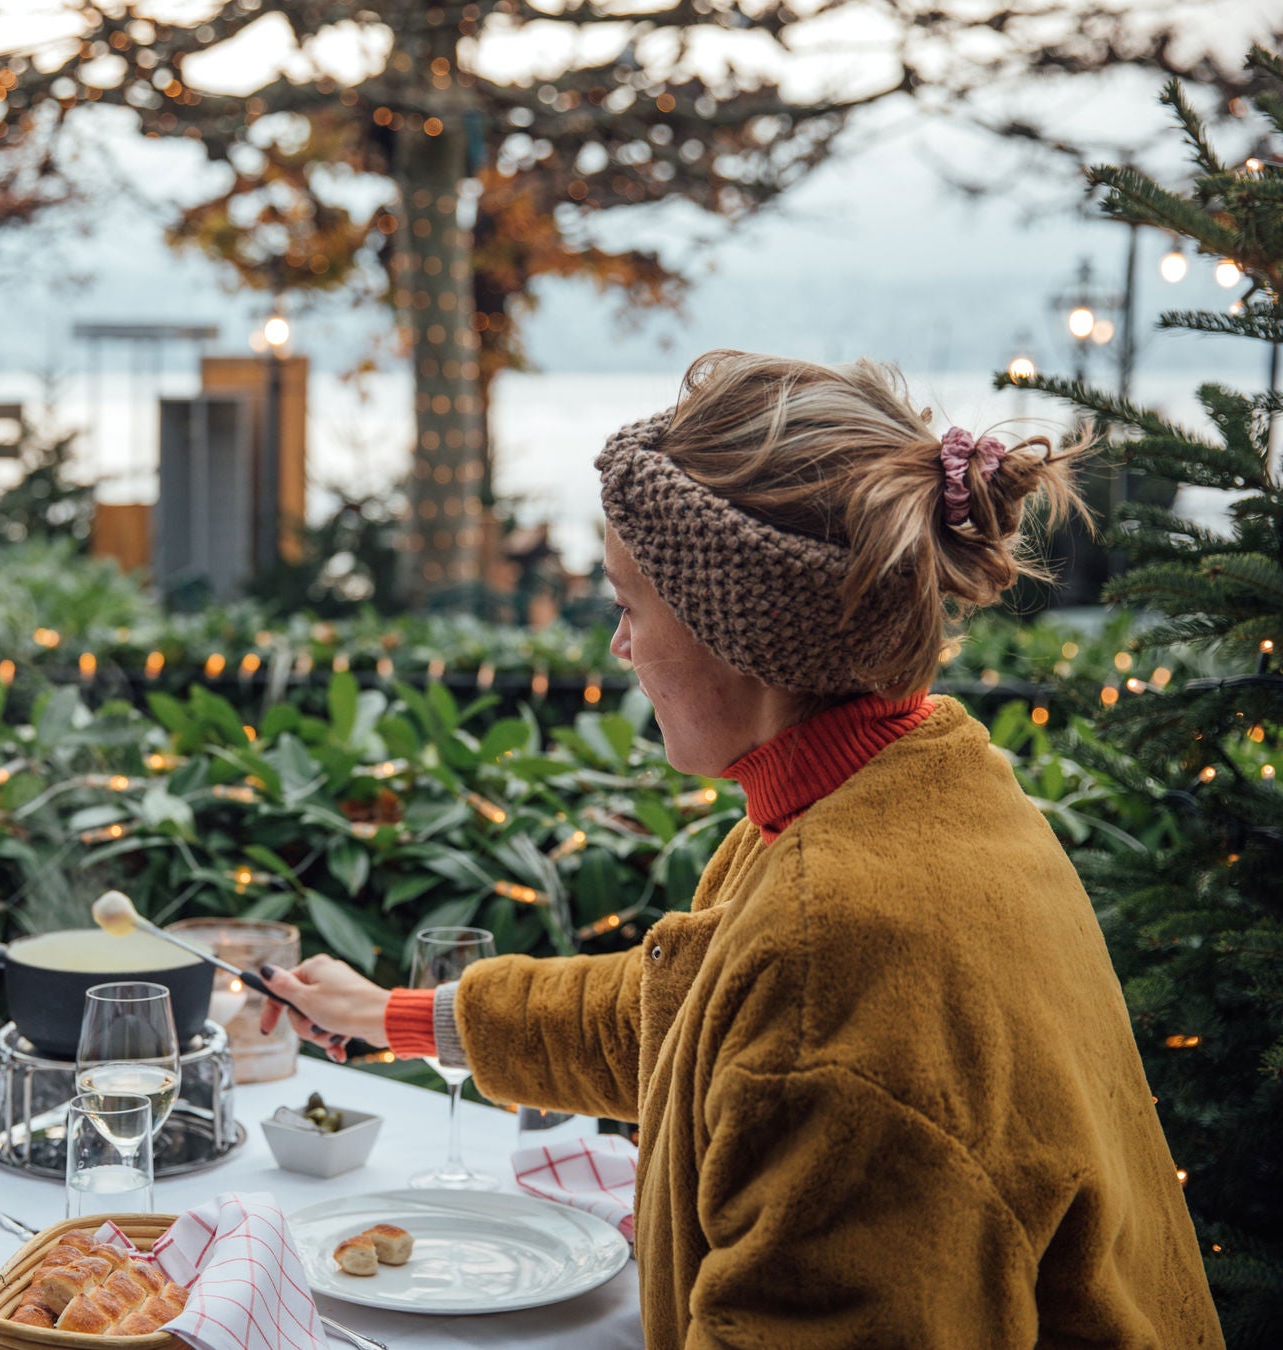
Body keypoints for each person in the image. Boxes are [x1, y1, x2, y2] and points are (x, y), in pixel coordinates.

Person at [261, 352, 1224, 1348]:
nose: (616, 649)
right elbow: (684, 1025)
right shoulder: (907, 792)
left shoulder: (840, 938)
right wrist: (398, 1017)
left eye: (628, 607)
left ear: (736, 631)